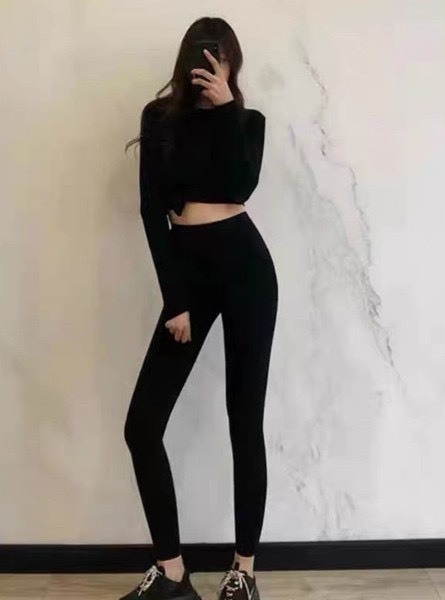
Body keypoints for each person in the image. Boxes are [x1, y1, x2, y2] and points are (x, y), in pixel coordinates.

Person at [122, 16, 278, 600]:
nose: (211, 65)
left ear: (233, 64)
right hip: (188, 273)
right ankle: (172, 573)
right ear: (187, 59)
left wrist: (227, 108)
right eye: (204, 55)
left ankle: (243, 571)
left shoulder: (248, 122)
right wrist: (176, 300)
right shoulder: (158, 119)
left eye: (223, 57)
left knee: (244, 419)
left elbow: (241, 186)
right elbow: (150, 210)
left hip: (246, 269)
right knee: (142, 425)